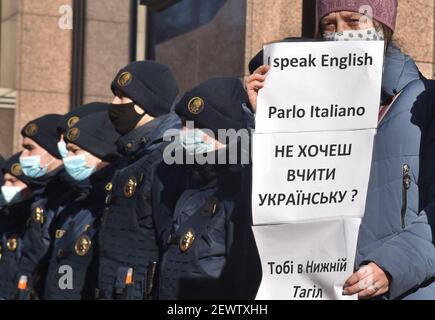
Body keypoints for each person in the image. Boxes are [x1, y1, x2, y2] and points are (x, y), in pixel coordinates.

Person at [245, 0, 435, 300]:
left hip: (403, 290)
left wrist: (390, 267)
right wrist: (269, 118)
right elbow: (283, 194)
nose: (339, 35)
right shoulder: (307, 108)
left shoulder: (425, 104)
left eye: (353, 21)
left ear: (383, 27)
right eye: (328, 26)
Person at [153, 77, 261, 300]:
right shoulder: (189, 183)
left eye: (194, 125)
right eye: (182, 123)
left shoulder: (241, 188)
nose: (183, 132)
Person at [96, 61, 181, 300]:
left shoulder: (167, 158)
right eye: (115, 95)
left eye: (123, 98)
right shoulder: (131, 158)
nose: (114, 104)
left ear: (148, 103)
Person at [43, 112, 122, 300]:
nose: (67, 158)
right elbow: (65, 274)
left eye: (75, 151)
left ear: (101, 151)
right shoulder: (77, 205)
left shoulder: (112, 204)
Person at [10, 114, 80, 300]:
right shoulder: (41, 194)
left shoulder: (65, 194)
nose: (23, 156)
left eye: (30, 149)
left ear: (52, 150)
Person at [0, 153, 41, 299]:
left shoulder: (36, 223)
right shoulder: (6, 219)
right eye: (5, 181)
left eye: (14, 181)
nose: (6, 187)